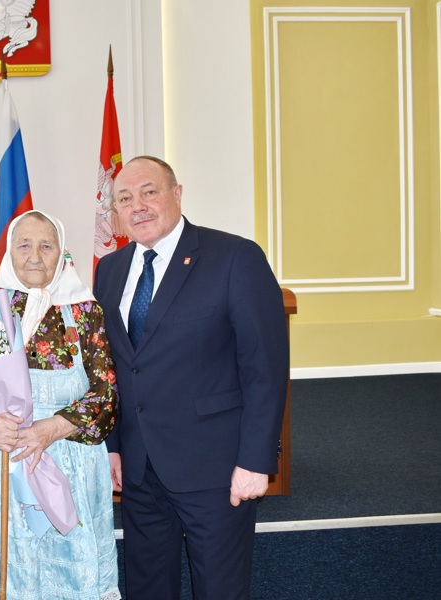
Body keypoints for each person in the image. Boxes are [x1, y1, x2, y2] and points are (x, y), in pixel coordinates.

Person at [93, 156, 289, 599]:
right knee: (147, 588)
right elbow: (114, 368)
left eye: (149, 192)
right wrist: (113, 447)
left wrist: (257, 460)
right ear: (116, 212)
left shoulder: (235, 258)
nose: (137, 205)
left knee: (219, 589)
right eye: (125, 198)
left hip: (216, 467)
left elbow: (265, 368)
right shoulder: (110, 270)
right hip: (140, 469)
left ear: (176, 194)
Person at [0, 210, 121, 600]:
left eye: (46, 245)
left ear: (62, 252)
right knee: (5, 579)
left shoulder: (85, 311)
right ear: (9, 251)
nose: (35, 255)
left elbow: (107, 397)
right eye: (23, 245)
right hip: (0, 468)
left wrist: (51, 429)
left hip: (69, 464)